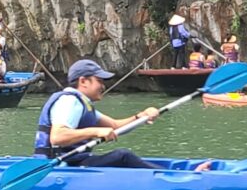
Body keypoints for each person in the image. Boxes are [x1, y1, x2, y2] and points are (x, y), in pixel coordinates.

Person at [34, 60, 163, 168]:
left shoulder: (82, 103)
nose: (103, 86)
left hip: (75, 161)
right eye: (99, 81)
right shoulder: (70, 101)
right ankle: (169, 180)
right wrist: (95, 132)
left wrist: (140, 117)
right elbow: (57, 137)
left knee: (123, 156)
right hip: (59, 165)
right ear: (83, 81)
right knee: (123, 156)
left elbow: (115, 126)